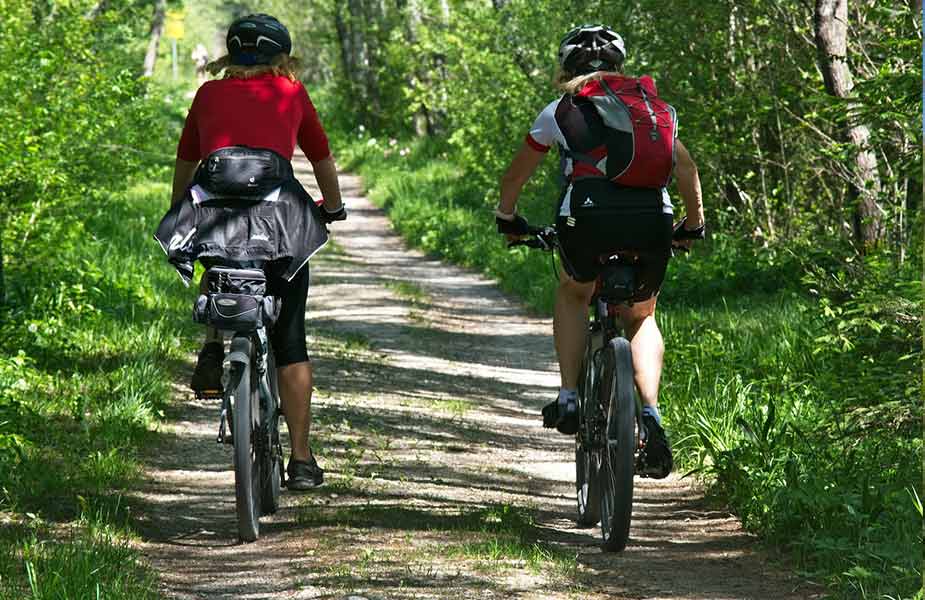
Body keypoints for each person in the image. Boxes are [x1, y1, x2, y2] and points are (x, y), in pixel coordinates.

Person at [495, 24, 704, 478]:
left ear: (566, 68)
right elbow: (686, 168)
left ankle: (569, 396)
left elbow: (514, 178)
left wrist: (508, 219)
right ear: (619, 66)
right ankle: (650, 414)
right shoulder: (652, 109)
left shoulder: (560, 111)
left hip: (586, 220)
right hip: (652, 220)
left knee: (574, 292)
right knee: (642, 316)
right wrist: (693, 226)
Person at [169, 14, 345, 490]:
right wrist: (333, 207)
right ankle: (303, 460)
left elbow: (187, 162)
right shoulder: (290, 92)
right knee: (291, 339)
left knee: (218, 255)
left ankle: (212, 343)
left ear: (232, 55)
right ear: (280, 57)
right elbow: (320, 156)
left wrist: (178, 210)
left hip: (216, 214)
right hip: (280, 220)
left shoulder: (207, 94)